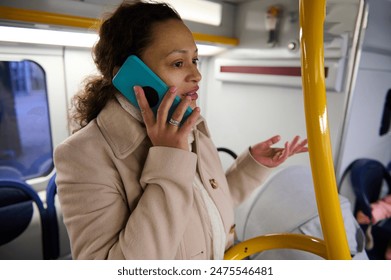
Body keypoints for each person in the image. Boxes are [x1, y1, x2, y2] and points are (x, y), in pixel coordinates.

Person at [54, 0, 308, 260]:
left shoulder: (190, 123)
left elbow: (206, 207)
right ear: (132, 74)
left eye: (195, 59)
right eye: (178, 63)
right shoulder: (82, 154)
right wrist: (168, 157)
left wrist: (252, 166)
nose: (196, 74)